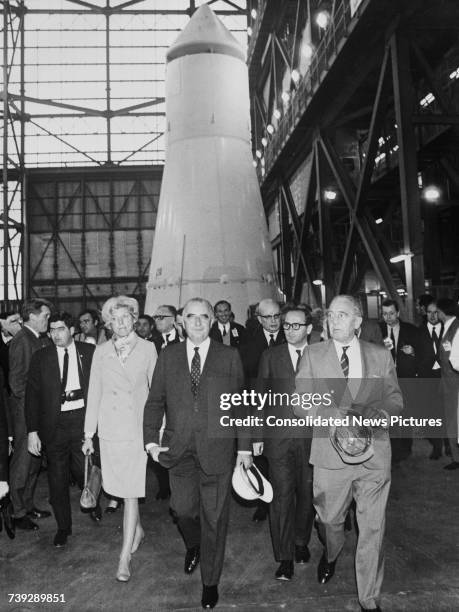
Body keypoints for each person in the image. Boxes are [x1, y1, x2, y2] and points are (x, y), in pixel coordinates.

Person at [144, 297, 252, 610]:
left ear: (211, 321)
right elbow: (154, 402)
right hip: (178, 451)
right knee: (183, 510)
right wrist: (151, 441)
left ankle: (210, 582)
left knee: (215, 520)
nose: (198, 322)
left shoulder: (228, 356)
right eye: (191, 317)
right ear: (181, 320)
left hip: (217, 450)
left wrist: (244, 447)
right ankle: (193, 544)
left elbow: (240, 405)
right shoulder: (169, 355)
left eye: (204, 317)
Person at [296, 295, 403, 612]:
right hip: (330, 456)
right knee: (330, 521)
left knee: (373, 527)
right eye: (331, 314)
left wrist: (380, 415)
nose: (335, 319)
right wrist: (333, 416)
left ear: (358, 321)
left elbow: (395, 399)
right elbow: (301, 400)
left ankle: (369, 598)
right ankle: (330, 552)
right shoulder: (314, 355)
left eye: (343, 314)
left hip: (374, 456)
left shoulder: (380, 355)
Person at [82, 296, 157, 581]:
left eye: (127, 318)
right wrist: (89, 434)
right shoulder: (100, 352)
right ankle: (136, 530)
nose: (122, 323)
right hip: (110, 430)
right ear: (109, 323)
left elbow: (156, 393)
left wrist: (157, 429)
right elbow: (94, 393)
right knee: (118, 489)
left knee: (130, 493)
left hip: (137, 431)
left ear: (134, 319)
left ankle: (124, 556)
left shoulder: (149, 348)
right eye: (117, 319)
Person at [255, 305, 320, 581]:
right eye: (286, 325)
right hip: (278, 440)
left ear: (308, 328)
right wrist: (256, 436)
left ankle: (301, 542)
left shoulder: (321, 355)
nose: (290, 330)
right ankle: (284, 558)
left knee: (307, 494)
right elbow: (258, 399)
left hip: (312, 438)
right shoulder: (270, 356)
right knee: (281, 497)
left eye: (296, 325)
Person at [25, 312, 96, 546]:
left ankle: (91, 498)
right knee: (57, 479)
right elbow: (32, 397)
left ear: (72, 330)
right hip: (54, 424)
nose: (55, 334)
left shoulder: (89, 352)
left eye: (61, 329)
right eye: (52, 330)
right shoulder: (41, 357)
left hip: (81, 420)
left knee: (82, 469)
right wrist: (32, 431)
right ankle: (63, 527)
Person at [239, 298, 285, 522]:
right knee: (261, 461)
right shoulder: (247, 347)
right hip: (259, 413)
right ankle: (264, 503)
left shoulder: (291, 338)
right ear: (259, 319)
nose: (273, 321)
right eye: (268, 317)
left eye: (277, 316)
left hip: (288, 413)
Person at [9, 299, 53, 530]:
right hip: (26, 414)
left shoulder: (36, 339)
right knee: (23, 463)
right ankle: (17, 513)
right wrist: (34, 408)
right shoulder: (22, 341)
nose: (48, 319)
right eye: (45, 315)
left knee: (34, 462)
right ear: (32, 316)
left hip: (37, 413)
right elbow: (16, 384)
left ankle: (27, 504)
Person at [379, 299, 419, 462]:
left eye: (391, 313)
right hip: (384, 381)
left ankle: (406, 447)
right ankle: (393, 450)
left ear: (398, 313)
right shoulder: (378, 330)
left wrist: (413, 352)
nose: (388, 317)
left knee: (406, 414)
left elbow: (422, 353)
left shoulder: (411, 330)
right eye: (385, 314)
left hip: (405, 378)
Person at [436, 298, 459, 469]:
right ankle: (455, 456)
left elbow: (454, 360)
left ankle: (456, 459)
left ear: (442, 312)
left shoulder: (456, 329)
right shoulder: (449, 327)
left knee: (453, 421)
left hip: (454, 384)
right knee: (451, 421)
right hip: (448, 383)